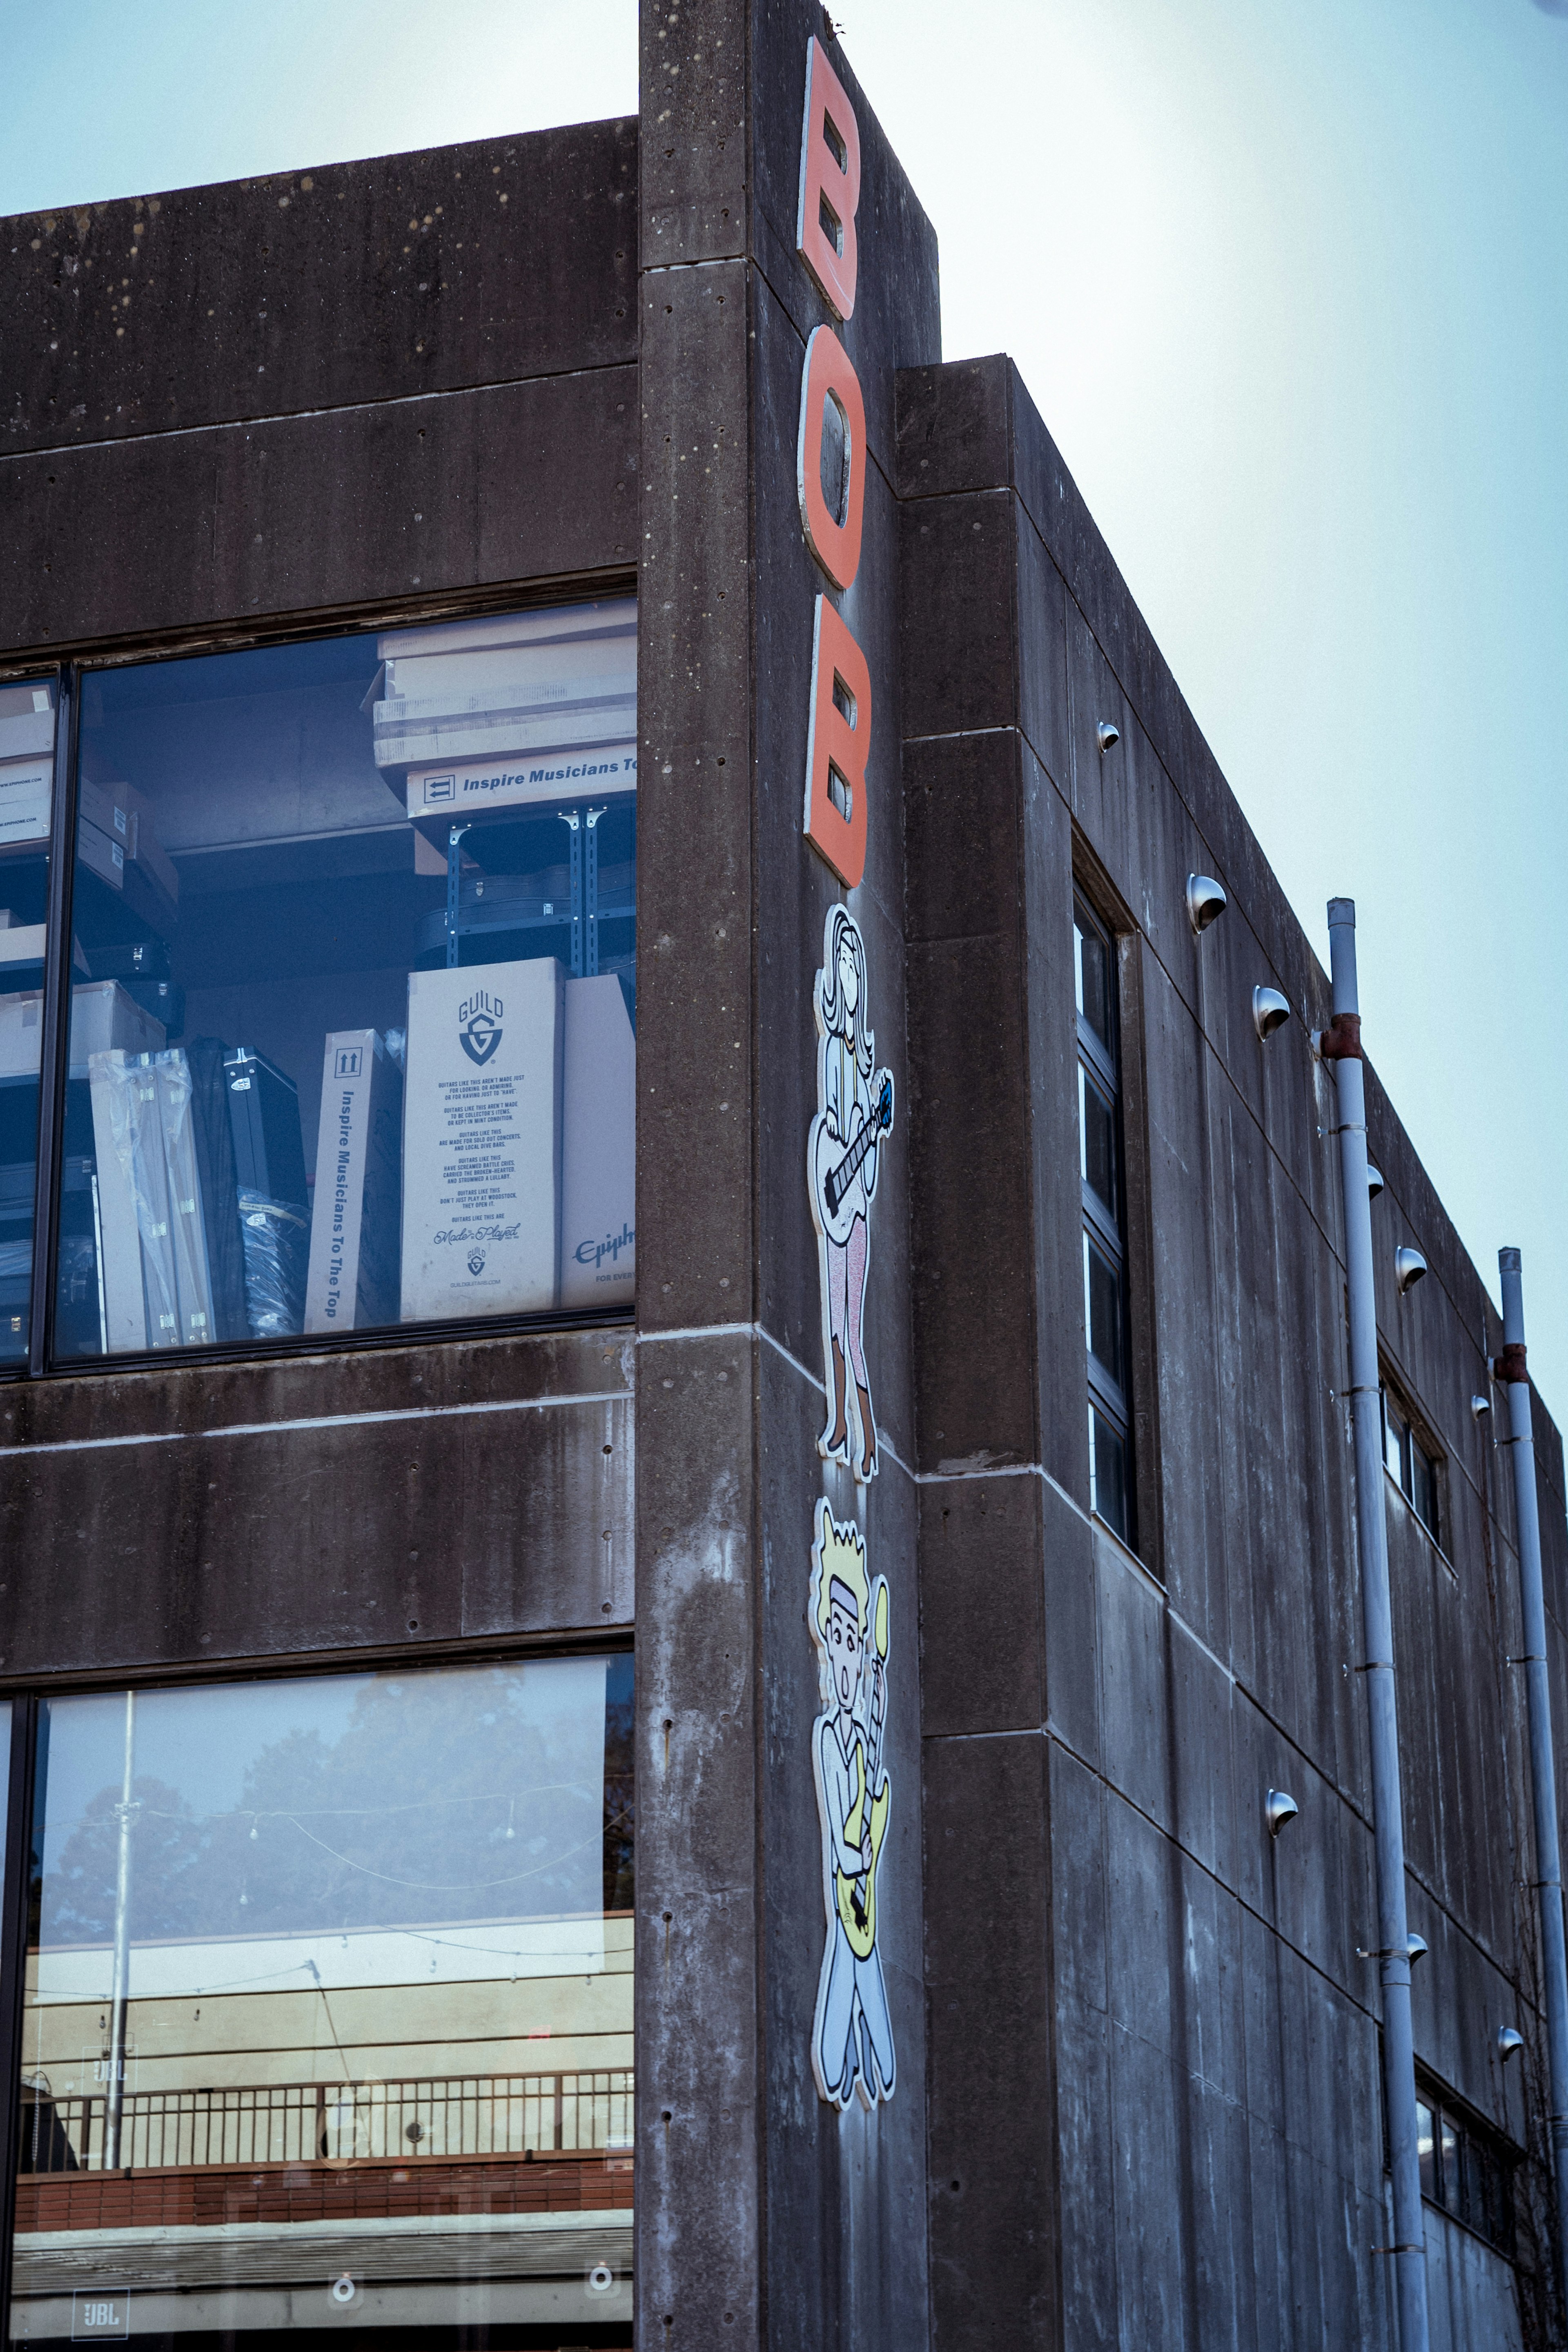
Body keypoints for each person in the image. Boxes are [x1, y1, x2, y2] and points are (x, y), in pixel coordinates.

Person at [808, 1501, 895, 2111]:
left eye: (853, 1641)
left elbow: (880, 1699)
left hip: (858, 1889)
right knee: (849, 1967)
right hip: (846, 1883)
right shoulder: (827, 1737)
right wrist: (854, 1854)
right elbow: (843, 1823)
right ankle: (854, 2066)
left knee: (858, 1965)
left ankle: (864, 2067)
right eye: (836, 1639)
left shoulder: (864, 1735)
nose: (846, 1657)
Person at [809, 905, 893, 1483]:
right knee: (835, 1326)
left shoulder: (861, 1067)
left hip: (853, 1215)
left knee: (851, 1329)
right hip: (833, 1205)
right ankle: (840, 1425)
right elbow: (832, 1141)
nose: (849, 972)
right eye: (841, 963)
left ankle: (863, 1438)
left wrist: (874, 1129)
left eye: (854, 963)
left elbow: (861, 1174)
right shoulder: (835, 1055)